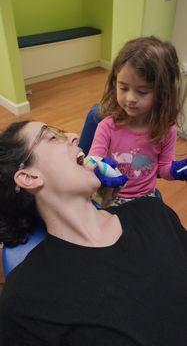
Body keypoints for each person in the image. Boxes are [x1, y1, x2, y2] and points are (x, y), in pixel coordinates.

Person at [0, 120, 187, 346]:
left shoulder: (154, 211)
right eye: (51, 137)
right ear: (29, 177)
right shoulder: (23, 299)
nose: (73, 135)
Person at [89, 36, 187, 205]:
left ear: (162, 92)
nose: (130, 98)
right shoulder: (108, 126)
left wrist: (176, 170)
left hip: (145, 197)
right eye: (123, 87)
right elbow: (93, 160)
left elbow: (163, 169)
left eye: (142, 91)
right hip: (110, 196)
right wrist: (97, 169)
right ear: (115, 83)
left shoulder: (165, 129)